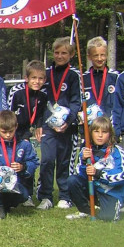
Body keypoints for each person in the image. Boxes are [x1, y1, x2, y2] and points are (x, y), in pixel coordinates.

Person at [37, 37, 81, 210]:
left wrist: (68, 122)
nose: (60, 56)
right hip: (48, 125)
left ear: (71, 55)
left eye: (64, 53)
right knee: (47, 160)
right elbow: (39, 101)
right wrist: (39, 124)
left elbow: (76, 102)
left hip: (66, 127)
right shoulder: (46, 73)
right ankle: (45, 196)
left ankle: (64, 196)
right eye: (57, 52)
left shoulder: (73, 75)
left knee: (64, 162)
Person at [0, 111, 38, 219]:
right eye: (4, 132)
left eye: (11, 131)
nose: (8, 135)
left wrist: (23, 167)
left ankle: (7, 204)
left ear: (16, 127)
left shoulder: (24, 144)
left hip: (15, 182)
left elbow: (33, 161)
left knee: (23, 195)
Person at [66, 116, 124, 221]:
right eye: (96, 131)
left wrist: (99, 173)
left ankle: (118, 206)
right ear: (91, 133)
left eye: (104, 132)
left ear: (110, 134)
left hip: (111, 192)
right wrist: (84, 161)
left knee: (107, 218)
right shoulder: (86, 151)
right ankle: (86, 211)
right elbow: (79, 175)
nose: (100, 135)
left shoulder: (117, 151)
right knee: (72, 181)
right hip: (94, 189)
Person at [7, 60, 47, 208]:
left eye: (40, 78)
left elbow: (41, 114)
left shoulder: (42, 95)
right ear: (26, 78)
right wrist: (10, 133)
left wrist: (39, 126)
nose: (37, 81)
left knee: (28, 163)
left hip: (26, 134)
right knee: (12, 162)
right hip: (12, 132)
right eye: (34, 78)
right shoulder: (16, 92)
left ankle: (27, 195)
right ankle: (12, 192)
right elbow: (8, 112)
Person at [82, 37, 118, 120]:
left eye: (102, 55)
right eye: (95, 55)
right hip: (90, 127)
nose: (99, 59)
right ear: (89, 57)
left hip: (109, 126)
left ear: (107, 55)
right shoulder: (83, 79)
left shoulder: (115, 77)